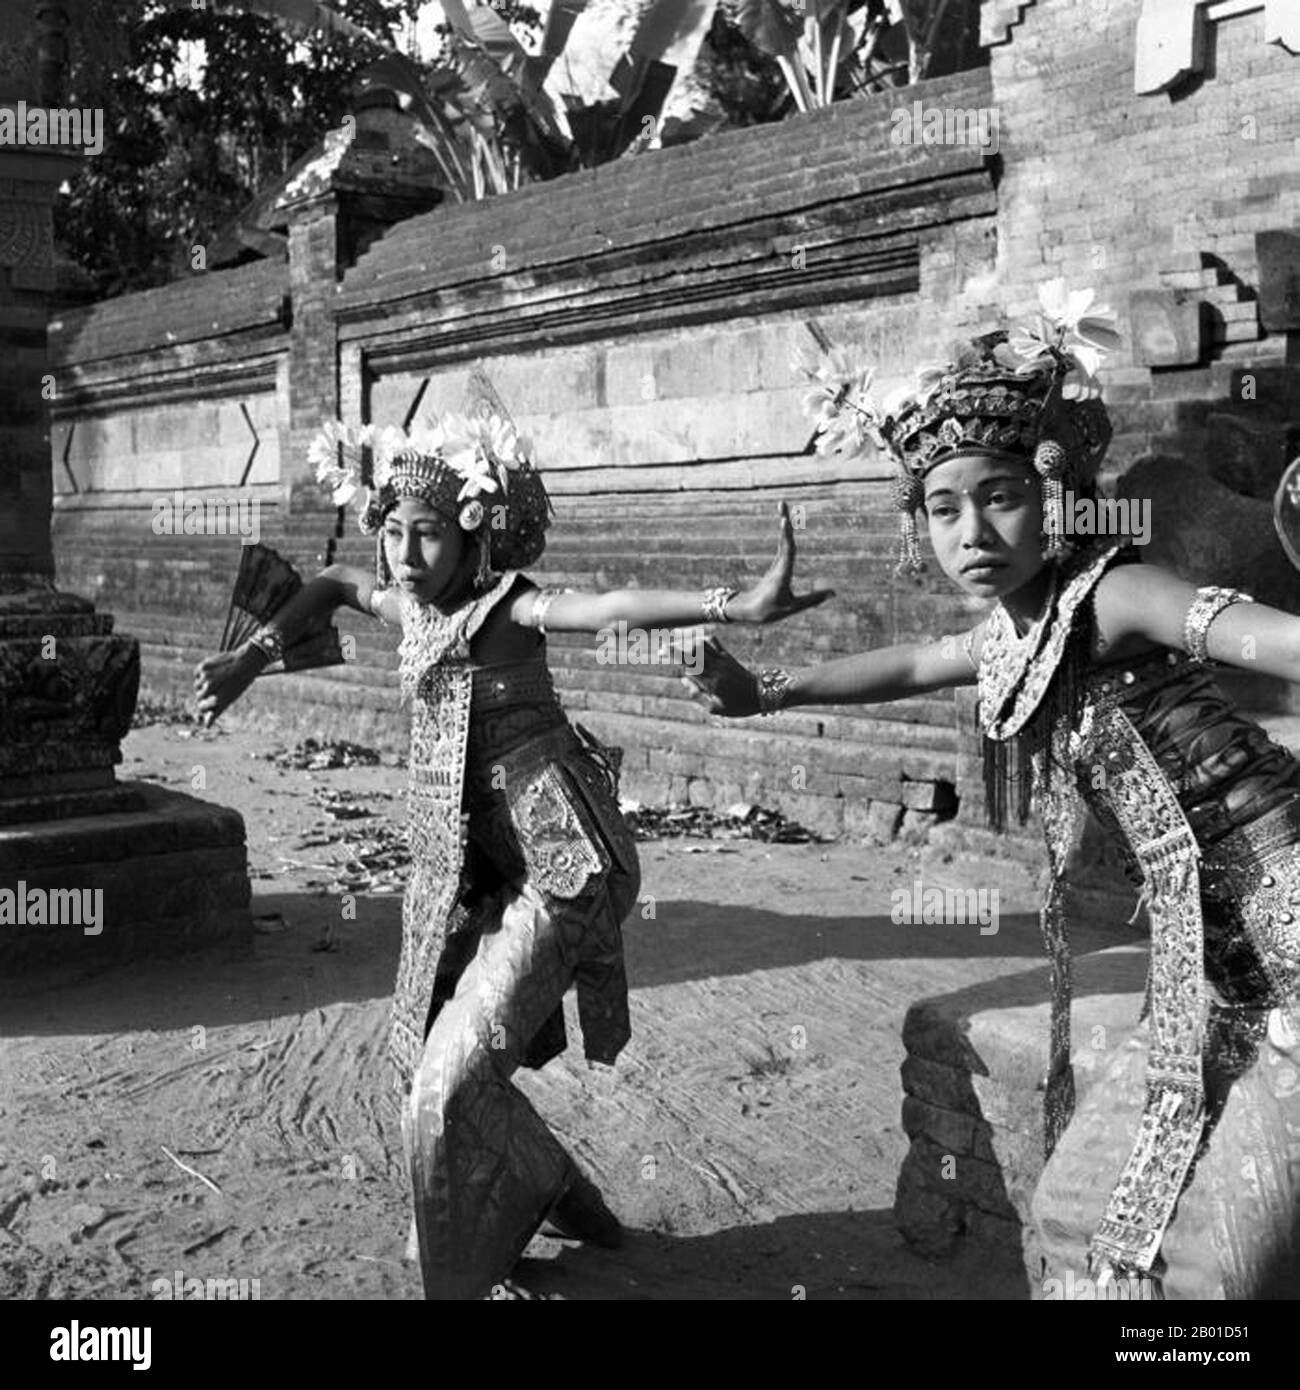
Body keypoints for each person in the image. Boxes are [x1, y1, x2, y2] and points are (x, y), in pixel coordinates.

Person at [682, 284, 1300, 1298]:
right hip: (1205, 957)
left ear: (1053, 494)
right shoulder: (1007, 634)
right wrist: (762, 692)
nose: (970, 529)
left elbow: (1260, 635)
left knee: (1231, 1261)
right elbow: (906, 663)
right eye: (941, 506)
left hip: (1284, 910)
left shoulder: (1114, 595)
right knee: (1086, 1220)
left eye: (998, 495)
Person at [193, 398, 829, 1299]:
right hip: (473, 871)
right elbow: (334, 583)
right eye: (395, 533)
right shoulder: (408, 605)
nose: (405, 558)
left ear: (472, 539)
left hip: (565, 865)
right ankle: (560, 1192)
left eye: (429, 537)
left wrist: (737, 603)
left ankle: (465, 1272)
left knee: (443, 1096)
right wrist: (255, 655)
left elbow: (606, 605)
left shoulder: (507, 607)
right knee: (426, 1062)